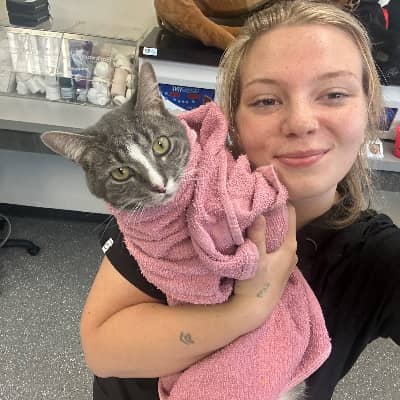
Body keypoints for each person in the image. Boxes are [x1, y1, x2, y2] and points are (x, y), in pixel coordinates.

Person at [79, 0, 400, 399]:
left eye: (334, 94)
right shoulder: (180, 198)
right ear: (233, 119)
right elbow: (103, 350)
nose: (301, 122)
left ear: (370, 110)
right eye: (267, 100)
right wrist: (247, 311)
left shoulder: (374, 257)